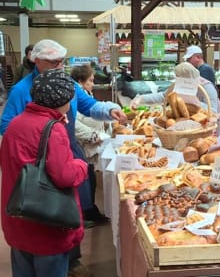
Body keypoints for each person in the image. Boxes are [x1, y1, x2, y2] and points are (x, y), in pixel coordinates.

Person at [0, 39, 127, 276]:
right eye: (53, 62)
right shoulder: (23, 93)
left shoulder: (60, 86)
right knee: (54, 229)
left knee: (30, 251)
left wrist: (109, 110)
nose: (59, 65)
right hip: (44, 189)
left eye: (62, 61)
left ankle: (71, 261)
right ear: (35, 61)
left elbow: (89, 105)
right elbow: (64, 174)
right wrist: (41, 154)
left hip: (19, 216)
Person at [0, 69, 88, 277]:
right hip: (47, 223)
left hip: (18, 216)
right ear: (64, 100)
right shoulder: (53, 129)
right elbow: (64, 175)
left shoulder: (16, 123)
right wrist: (81, 165)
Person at [131, 62, 220, 135]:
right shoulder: (178, 86)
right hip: (189, 130)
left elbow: (213, 110)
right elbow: (164, 96)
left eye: (179, 76)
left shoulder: (206, 86)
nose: (177, 79)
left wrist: (195, 103)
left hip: (212, 129)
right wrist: (141, 99)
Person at [71, 64, 111, 224]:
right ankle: (85, 213)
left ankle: (90, 209)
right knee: (85, 180)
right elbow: (75, 123)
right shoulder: (75, 96)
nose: (93, 84)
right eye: (91, 80)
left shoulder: (86, 92)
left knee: (90, 178)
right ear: (80, 81)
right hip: (82, 145)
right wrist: (93, 135)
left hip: (90, 146)